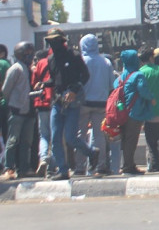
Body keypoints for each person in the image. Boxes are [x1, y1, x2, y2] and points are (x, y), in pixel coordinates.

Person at [44, 28, 97, 181]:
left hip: (73, 100)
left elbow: (85, 76)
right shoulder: (51, 59)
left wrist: (74, 90)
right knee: (55, 138)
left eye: (56, 41)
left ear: (62, 41)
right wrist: (44, 84)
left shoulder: (73, 56)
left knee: (70, 137)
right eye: (50, 42)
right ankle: (63, 169)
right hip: (58, 101)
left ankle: (91, 153)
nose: (53, 44)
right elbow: (54, 80)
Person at [77, 34, 114, 175]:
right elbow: (111, 85)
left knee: (80, 135)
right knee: (99, 136)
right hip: (101, 103)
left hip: (83, 103)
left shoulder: (81, 61)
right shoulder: (106, 62)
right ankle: (101, 165)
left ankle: (80, 167)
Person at [2, 41, 36, 179]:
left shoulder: (30, 68)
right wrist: (16, 101)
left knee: (26, 142)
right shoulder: (16, 68)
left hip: (30, 111)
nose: (30, 56)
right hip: (17, 110)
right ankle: (9, 167)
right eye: (26, 53)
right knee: (13, 140)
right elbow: (5, 90)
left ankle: (24, 168)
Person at [119, 49, 153, 175]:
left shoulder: (121, 76)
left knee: (125, 139)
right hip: (135, 112)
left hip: (122, 111)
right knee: (131, 140)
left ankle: (127, 164)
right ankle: (128, 166)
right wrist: (152, 98)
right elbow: (143, 90)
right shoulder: (138, 75)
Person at [30, 48, 54, 177]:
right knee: (55, 135)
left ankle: (44, 158)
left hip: (41, 102)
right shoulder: (55, 60)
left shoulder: (40, 64)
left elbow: (34, 83)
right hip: (54, 102)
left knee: (44, 135)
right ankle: (52, 168)